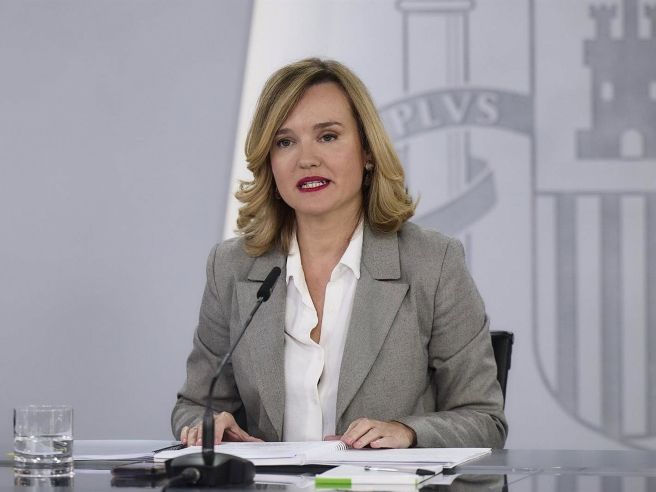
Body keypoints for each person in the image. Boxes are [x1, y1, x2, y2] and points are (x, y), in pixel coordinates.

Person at [171, 58, 507, 449]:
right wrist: (208, 425)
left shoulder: (433, 263)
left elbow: (484, 419)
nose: (306, 159)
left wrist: (408, 432)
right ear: (269, 162)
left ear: (367, 152)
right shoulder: (231, 267)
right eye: (285, 142)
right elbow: (194, 406)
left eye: (328, 136)